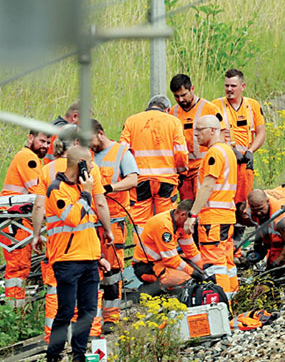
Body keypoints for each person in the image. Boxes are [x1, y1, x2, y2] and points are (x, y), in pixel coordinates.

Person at [32, 124, 112, 340]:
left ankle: (54, 337)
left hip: (58, 244)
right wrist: (108, 229)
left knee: (55, 289)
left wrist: (36, 234)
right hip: (84, 242)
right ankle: (92, 334)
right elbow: (101, 203)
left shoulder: (47, 170)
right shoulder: (89, 168)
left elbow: (39, 205)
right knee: (89, 291)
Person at [89, 119, 139, 333]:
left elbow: (133, 179)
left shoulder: (121, 152)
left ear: (100, 133)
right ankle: (94, 319)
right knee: (92, 273)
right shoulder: (87, 155)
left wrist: (109, 187)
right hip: (90, 222)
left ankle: (111, 317)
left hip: (114, 220)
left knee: (113, 273)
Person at [184, 115, 238, 299]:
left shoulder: (214, 154)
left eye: (200, 130)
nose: (195, 134)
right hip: (226, 216)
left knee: (215, 265)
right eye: (195, 130)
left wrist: (192, 215)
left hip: (213, 219)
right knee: (227, 264)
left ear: (213, 130)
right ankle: (232, 303)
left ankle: (221, 307)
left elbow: (207, 186)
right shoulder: (227, 151)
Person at [120, 95, 188, 235]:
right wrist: (182, 172)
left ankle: (141, 253)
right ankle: (165, 251)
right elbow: (181, 153)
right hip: (166, 181)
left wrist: (127, 176)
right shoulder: (174, 122)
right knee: (166, 220)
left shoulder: (132, 121)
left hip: (140, 181)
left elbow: (122, 151)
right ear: (167, 109)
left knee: (140, 222)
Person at [0, 130, 50, 308]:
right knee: (18, 267)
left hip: (17, 218)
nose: (45, 146)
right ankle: (14, 310)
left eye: (48, 142)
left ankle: (15, 310)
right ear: (30, 138)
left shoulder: (31, 159)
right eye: (42, 141)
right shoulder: (27, 158)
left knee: (20, 266)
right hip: (15, 219)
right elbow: (39, 191)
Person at [212, 69, 266, 206]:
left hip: (245, 162)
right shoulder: (215, 106)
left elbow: (261, 133)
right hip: (225, 162)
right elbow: (213, 135)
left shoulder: (252, 106)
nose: (229, 89)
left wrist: (250, 151)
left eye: (233, 86)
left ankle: (240, 226)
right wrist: (230, 151)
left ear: (243, 87)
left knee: (243, 203)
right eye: (226, 85)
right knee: (224, 199)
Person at [169, 74, 225, 200]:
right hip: (184, 170)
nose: (181, 99)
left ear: (192, 89)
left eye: (184, 95)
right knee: (186, 206)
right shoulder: (173, 112)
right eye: (176, 96)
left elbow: (221, 138)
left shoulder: (209, 109)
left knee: (202, 203)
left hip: (203, 166)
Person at [132, 200, 205, 295]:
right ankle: (147, 291)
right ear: (183, 215)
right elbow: (171, 260)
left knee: (191, 270)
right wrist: (194, 273)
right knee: (183, 277)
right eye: (193, 220)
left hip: (162, 261)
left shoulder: (182, 224)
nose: (193, 224)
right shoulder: (163, 225)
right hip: (146, 266)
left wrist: (204, 269)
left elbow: (191, 251)